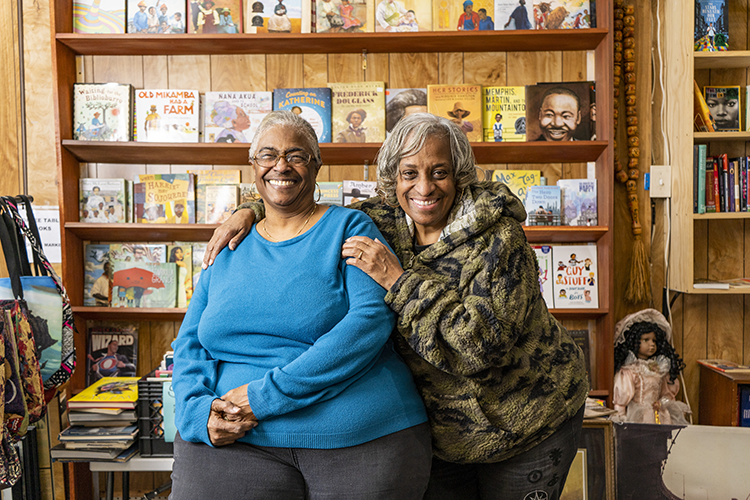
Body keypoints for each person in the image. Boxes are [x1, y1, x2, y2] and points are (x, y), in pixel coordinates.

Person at [204, 113, 588, 500]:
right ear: (392, 179)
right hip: (442, 433)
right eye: (409, 173)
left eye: (439, 172)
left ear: (459, 175)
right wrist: (250, 210)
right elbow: (298, 198)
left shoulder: (500, 240)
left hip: (526, 421)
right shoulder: (379, 219)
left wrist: (399, 281)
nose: (424, 187)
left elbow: (481, 347)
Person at [170, 110, 431, 500]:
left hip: (358, 434)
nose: (281, 165)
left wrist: (263, 397)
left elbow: (370, 321)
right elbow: (191, 342)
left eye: (296, 155)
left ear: (316, 165)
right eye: (268, 155)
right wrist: (193, 413)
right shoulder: (227, 244)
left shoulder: (349, 228)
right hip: (235, 438)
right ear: (252, 165)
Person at [612, 309, 690, 425]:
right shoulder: (630, 371)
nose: (652, 344)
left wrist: (662, 402)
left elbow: (667, 395)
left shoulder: (659, 368)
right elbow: (621, 403)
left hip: (659, 415)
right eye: (646, 340)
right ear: (634, 342)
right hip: (638, 416)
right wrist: (620, 421)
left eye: (654, 340)